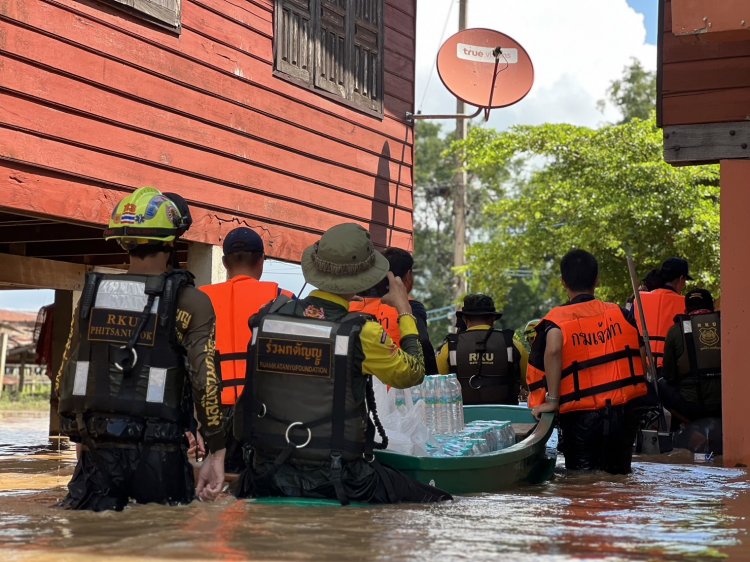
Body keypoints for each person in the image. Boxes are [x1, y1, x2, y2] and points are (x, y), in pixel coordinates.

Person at [233, 223, 451, 504]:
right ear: (364, 278)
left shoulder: (267, 318)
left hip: (265, 473)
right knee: (440, 502)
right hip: (341, 478)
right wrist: (404, 310)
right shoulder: (362, 332)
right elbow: (413, 373)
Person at [56, 187, 225, 511]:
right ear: (172, 240)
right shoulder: (191, 302)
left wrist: (78, 438)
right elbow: (206, 381)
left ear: (122, 240)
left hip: (97, 450)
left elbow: (69, 368)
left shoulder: (94, 294)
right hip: (159, 455)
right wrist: (215, 450)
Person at [527, 249, 648, 473]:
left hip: (581, 418)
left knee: (582, 479)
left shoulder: (555, 322)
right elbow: (641, 358)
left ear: (564, 282)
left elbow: (553, 351)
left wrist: (552, 400)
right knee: (620, 475)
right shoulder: (621, 313)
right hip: (624, 414)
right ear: (597, 280)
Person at [200, 227, 294, 473]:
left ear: (224, 262)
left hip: (211, 419)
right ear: (261, 260)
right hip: (267, 418)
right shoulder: (283, 299)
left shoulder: (199, 300)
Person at [349, 247, 438, 374]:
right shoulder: (410, 308)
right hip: (400, 385)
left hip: (358, 386)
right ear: (407, 276)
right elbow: (422, 344)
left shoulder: (350, 306)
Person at [435, 294, 522, 405]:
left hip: (463, 417)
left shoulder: (450, 347)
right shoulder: (512, 343)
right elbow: (529, 380)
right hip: (507, 416)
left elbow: (440, 384)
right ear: (492, 318)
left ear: (465, 319)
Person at [659, 289, 721, 422]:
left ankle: (688, 426)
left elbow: (669, 375)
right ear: (712, 306)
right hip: (725, 401)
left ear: (686, 309)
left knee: (661, 385)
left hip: (692, 406)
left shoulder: (676, 330)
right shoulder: (727, 325)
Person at [634, 257, 693, 369]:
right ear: (681, 279)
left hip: (642, 367)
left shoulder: (639, 299)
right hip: (670, 369)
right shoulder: (685, 303)